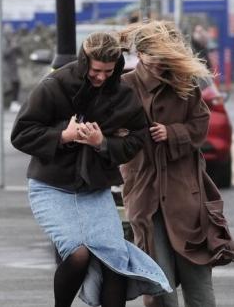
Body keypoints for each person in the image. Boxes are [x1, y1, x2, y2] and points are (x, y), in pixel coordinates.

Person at [11, 31, 171, 307]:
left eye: (109, 71)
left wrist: (103, 143)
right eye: (96, 70)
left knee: (114, 259)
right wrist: (64, 135)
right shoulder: (54, 85)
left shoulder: (122, 94)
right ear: (85, 61)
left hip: (94, 187)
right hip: (51, 185)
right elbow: (21, 134)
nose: (102, 77)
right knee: (78, 253)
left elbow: (138, 139)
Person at [119, 21, 234, 307]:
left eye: (164, 57)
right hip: (144, 192)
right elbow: (113, 134)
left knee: (197, 278)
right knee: (158, 281)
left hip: (184, 193)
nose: (158, 64)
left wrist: (172, 132)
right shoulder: (124, 87)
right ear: (140, 54)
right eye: (153, 56)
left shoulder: (183, 84)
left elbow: (201, 125)